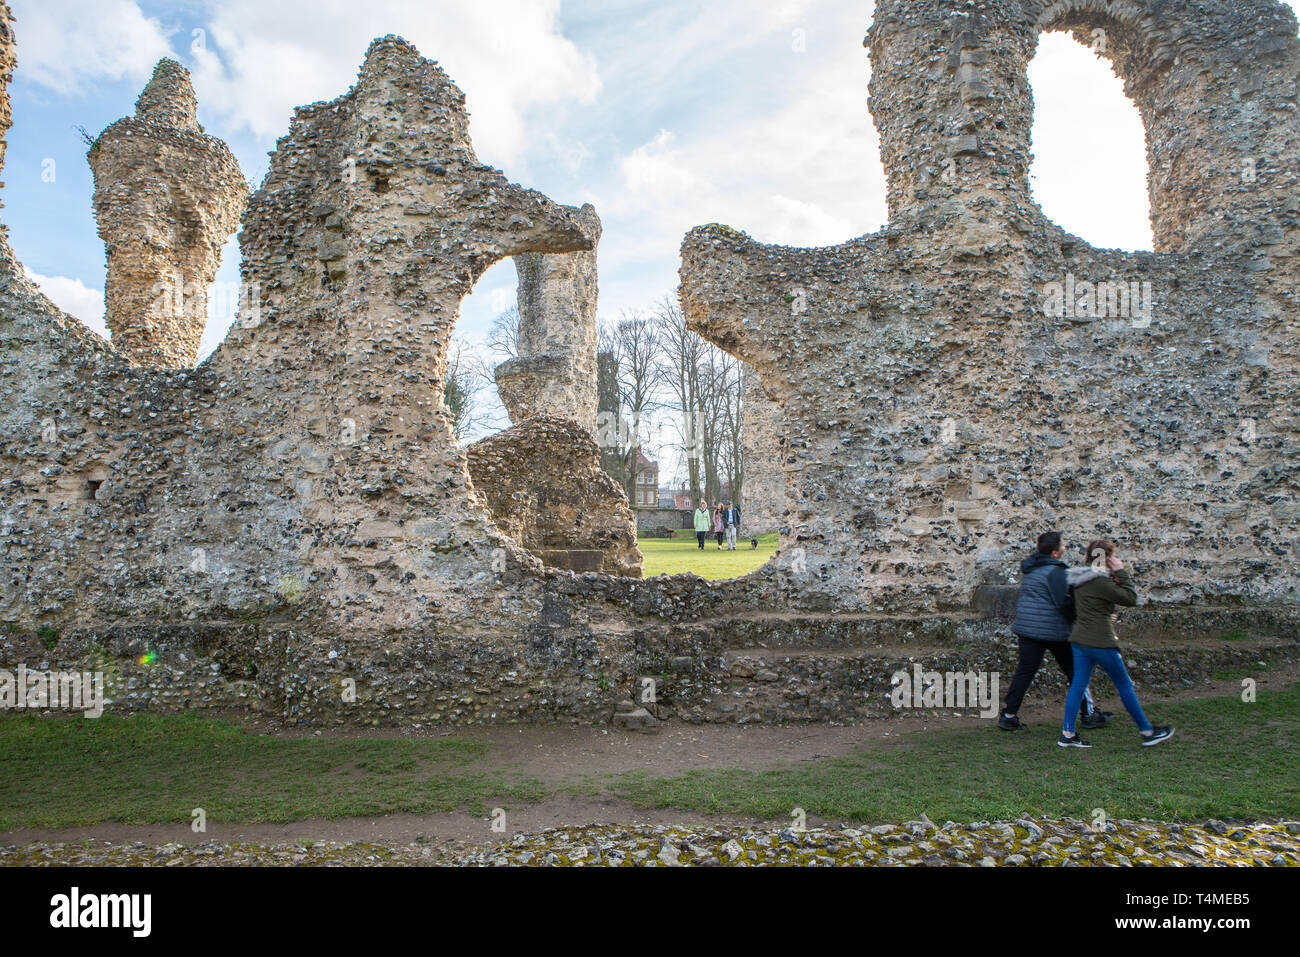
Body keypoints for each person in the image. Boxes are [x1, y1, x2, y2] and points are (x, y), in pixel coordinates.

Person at [1058, 539, 1175, 749]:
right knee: (1124, 685)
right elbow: (1130, 598)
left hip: (1079, 639)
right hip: (1100, 641)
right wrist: (1121, 572)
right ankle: (1147, 731)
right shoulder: (1100, 582)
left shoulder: (1080, 578)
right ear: (1108, 558)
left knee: (1078, 686)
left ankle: (1067, 733)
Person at [998, 531, 1110, 732]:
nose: (1065, 547)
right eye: (1063, 545)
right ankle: (1089, 714)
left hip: (1027, 629)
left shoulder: (1031, 568)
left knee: (1024, 673)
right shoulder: (1056, 572)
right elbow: (1064, 603)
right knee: (1076, 672)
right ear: (1055, 552)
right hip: (1054, 631)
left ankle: (1008, 716)